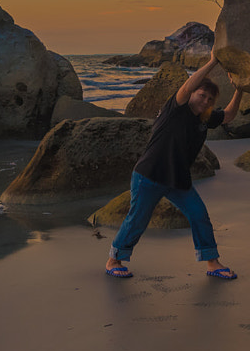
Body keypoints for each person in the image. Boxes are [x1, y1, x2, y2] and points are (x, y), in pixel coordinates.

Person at [104, 55, 242, 280]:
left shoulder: (204, 118)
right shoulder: (175, 108)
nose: (206, 101)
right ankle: (114, 259)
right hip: (150, 175)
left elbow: (229, 115)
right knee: (137, 219)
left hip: (178, 179)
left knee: (199, 215)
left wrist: (240, 90)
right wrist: (214, 61)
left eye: (210, 98)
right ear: (193, 94)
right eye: (202, 95)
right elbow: (187, 85)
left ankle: (212, 263)